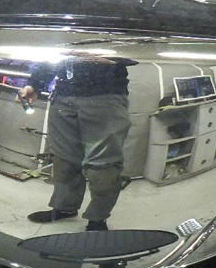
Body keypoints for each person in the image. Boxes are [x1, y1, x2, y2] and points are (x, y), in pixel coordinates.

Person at [20, 53, 134, 231]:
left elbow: (138, 48)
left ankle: (98, 218)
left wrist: (113, 58)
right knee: (64, 160)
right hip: (62, 97)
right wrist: (34, 84)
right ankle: (65, 208)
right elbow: (54, 52)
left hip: (105, 96)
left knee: (103, 166)